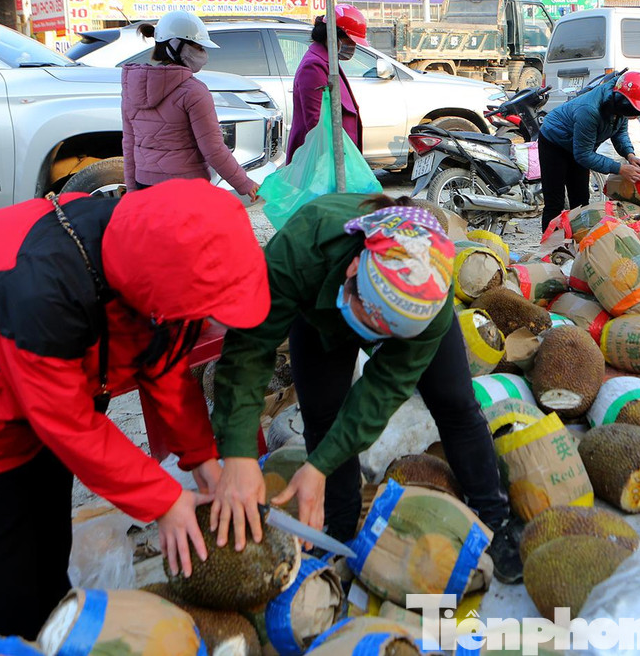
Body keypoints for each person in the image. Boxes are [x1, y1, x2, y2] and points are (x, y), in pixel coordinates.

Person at [0, 181, 270, 639]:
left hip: (27, 366)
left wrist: (204, 461)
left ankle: (51, 625)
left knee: (47, 523)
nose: (211, 321)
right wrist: (164, 501)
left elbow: (162, 361)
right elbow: (69, 424)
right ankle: (2, 640)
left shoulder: (146, 266)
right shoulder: (43, 289)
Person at [207, 195, 524, 580]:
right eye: (370, 322)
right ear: (354, 269)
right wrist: (238, 455)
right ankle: (341, 530)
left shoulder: (430, 300)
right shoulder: (300, 251)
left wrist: (319, 464)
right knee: (323, 414)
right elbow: (247, 351)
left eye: (387, 334)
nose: (375, 340)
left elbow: (381, 391)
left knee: (455, 403)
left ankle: (493, 516)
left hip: (399, 318)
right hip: (321, 312)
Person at [121, 11, 260, 201]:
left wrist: (131, 191)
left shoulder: (132, 87)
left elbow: (128, 145)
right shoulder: (194, 91)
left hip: (144, 185)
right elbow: (213, 149)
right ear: (178, 46)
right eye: (198, 47)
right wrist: (244, 183)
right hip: (186, 189)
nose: (203, 54)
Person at [537, 70, 640, 232]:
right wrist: (620, 168)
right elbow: (583, 155)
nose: (636, 116)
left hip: (579, 145)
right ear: (623, 101)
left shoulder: (617, 104)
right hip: (554, 142)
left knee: (581, 201)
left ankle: (578, 245)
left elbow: (619, 132)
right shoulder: (590, 111)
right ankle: (549, 250)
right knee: (555, 202)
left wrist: (630, 155)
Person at [288, 4, 369, 160]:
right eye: (349, 40)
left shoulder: (328, 60)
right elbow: (316, 124)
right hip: (323, 160)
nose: (352, 46)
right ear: (332, 36)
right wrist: (334, 160)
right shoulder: (313, 66)